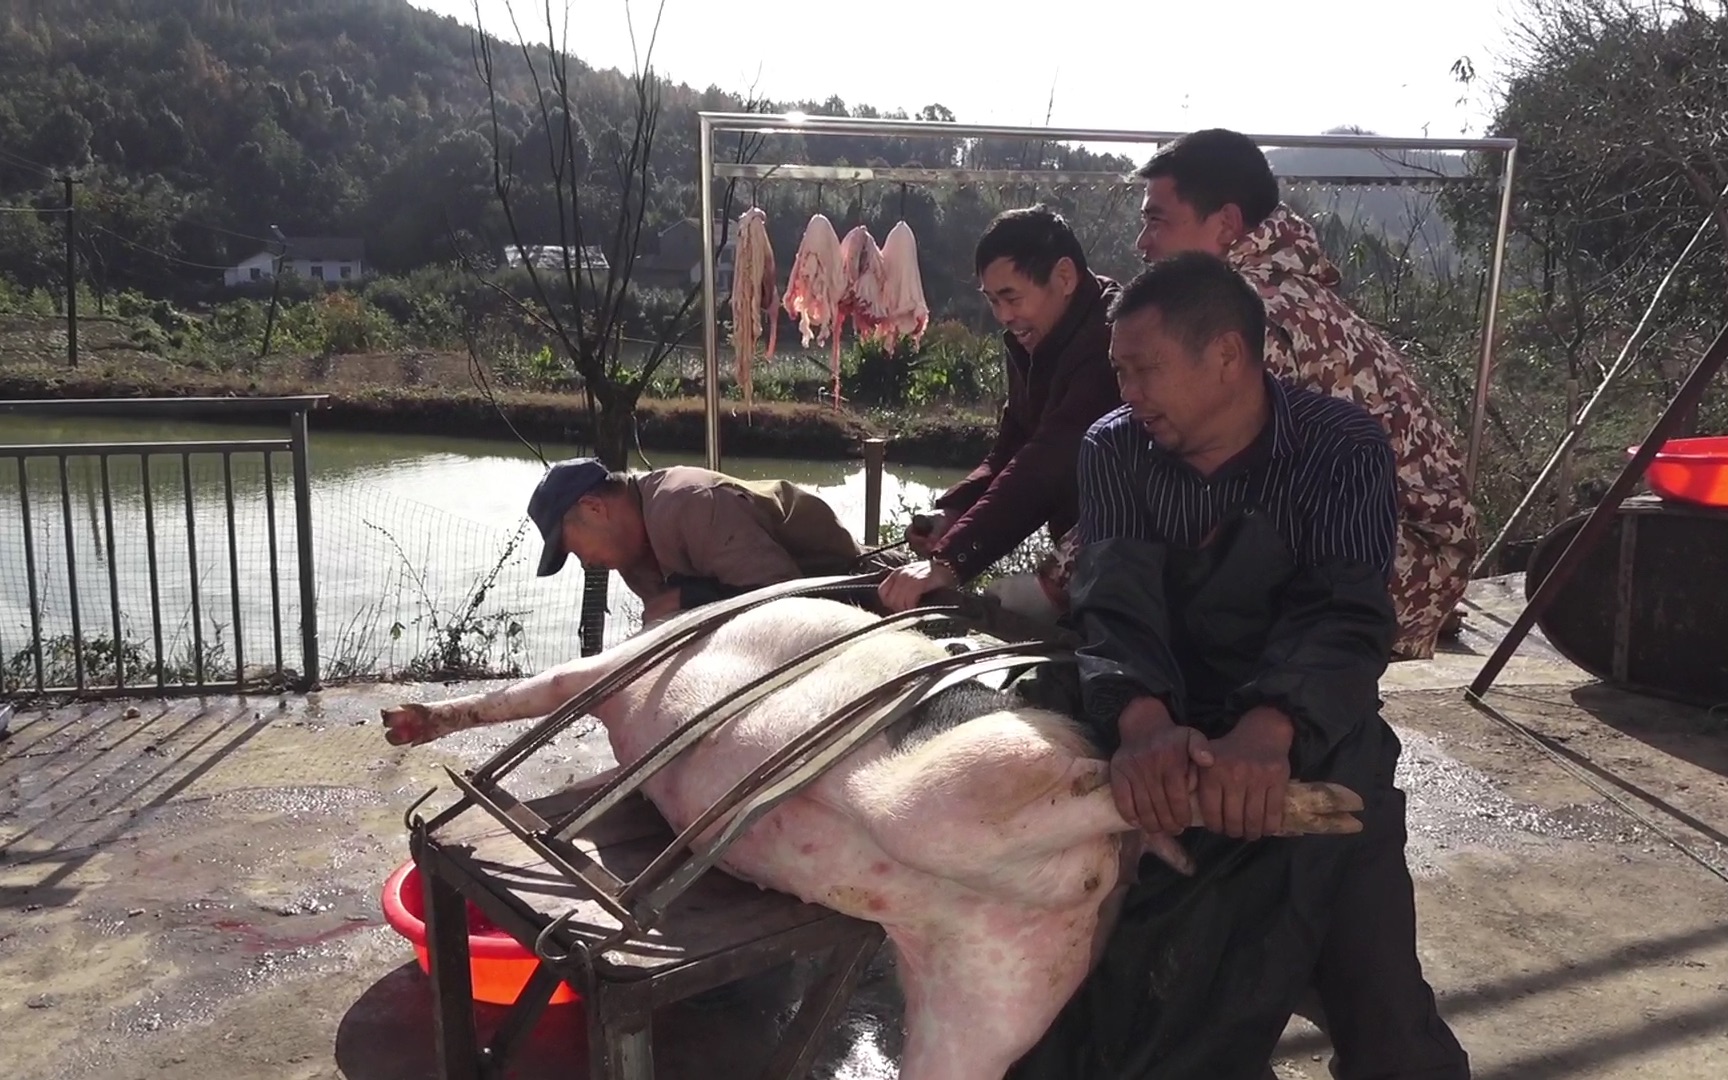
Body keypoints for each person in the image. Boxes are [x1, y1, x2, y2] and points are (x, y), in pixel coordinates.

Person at [1006, 253, 1467, 1079]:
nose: (1129, 394)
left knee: (1388, 1019)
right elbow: (1114, 602)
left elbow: (1344, 615)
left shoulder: (1340, 446)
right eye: (1119, 372)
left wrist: (1269, 729)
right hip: (1159, 736)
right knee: (1094, 1010)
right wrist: (1143, 721)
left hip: (1313, 737)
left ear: (1226, 355)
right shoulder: (1116, 449)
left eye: (1144, 370)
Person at [1037, 128, 1476, 661]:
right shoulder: (1264, 294)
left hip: (1399, 556)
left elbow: (1192, 476)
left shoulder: (1255, 320)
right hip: (1400, 546)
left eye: (1156, 220)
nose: (1142, 243)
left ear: (1225, 224)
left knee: (1192, 548)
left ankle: (1259, 716)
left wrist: (1052, 585)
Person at [876, 206, 1122, 614]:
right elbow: (1014, 445)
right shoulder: (1037, 336)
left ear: (1064, 277)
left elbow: (1050, 461)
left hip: (1121, 559)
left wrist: (949, 562)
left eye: (1012, 297)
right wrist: (953, 510)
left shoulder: (1110, 339)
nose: (1004, 316)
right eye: (993, 300)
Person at [527, 458, 890, 624]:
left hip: (865, 595)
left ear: (593, 508)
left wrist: (689, 599)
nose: (586, 563)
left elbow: (785, 598)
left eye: (575, 549)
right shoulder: (629, 553)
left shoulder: (691, 502)